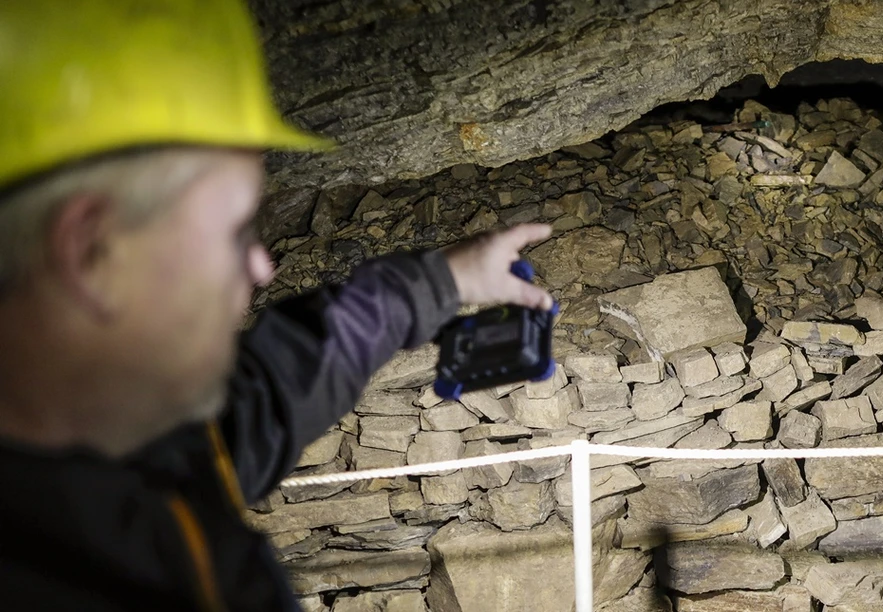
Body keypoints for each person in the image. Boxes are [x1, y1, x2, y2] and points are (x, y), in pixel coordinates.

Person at [0, 2, 554, 610]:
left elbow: (273, 389)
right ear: (91, 252)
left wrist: (441, 280)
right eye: (236, 230)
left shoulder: (142, 440)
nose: (261, 266)